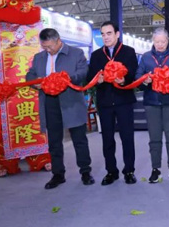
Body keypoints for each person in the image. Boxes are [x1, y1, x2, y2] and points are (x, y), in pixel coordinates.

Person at [26, 28, 94, 189]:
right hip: (49, 102)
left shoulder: (76, 53)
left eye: (50, 46)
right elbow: (30, 75)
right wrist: (35, 82)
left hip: (71, 100)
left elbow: (83, 73)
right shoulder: (39, 57)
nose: (47, 50)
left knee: (79, 139)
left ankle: (85, 172)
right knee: (54, 141)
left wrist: (65, 80)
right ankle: (58, 174)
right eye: (44, 47)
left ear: (58, 41)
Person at [86, 21, 138, 186]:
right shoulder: (96, 55)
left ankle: (129, 171)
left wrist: (124, 80)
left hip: (124, 100)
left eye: (109, 33)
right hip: (105, 102)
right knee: (107, 139)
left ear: (117, 34)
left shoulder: (128, 52)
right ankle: (111, 171)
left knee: (127, 137)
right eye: (103, 34)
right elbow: (90, 78)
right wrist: (98, 80)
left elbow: (133, 74)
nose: (106, 37)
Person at [136, 28, 169, 183]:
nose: (160, 44)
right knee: (154, 138)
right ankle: (155, 169)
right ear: (153, 41)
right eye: (157, 41)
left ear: (168, 40)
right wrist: (145, 80)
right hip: (152, 102)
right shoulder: (146, 57)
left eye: (163, 41)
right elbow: (138, 77)